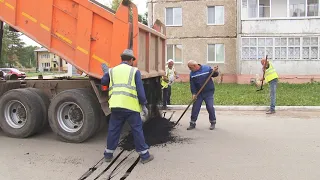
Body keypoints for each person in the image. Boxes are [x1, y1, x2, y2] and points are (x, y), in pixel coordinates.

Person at [101, 49, 154, 164]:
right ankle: (145, 156)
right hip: (130, 107)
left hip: (115, 106)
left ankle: (108, 155)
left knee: (113, 130)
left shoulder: (112, 71)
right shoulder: (134, 71)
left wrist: (106, 72)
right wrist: (143, 104)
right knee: (136, 130)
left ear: (122, 59)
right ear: (130, 60)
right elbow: (140, 91)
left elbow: (104, 82)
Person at [187, 60, 219, 130]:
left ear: (195, 66)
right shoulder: (192, 74)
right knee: (195, 108)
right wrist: (194, 93)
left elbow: (215, 74)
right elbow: (192, 85)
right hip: (199, 93)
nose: (189, 69)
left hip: (208, 92)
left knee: (210, 107)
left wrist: (215, 71)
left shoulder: (206, 68)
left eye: (190, 67)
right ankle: (192, 123)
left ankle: (213, 122)